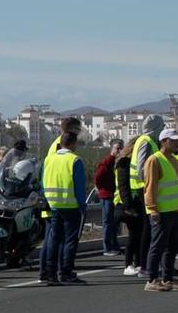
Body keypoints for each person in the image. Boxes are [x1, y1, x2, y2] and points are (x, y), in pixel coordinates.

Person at [38, 122, 89, 285]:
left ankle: (50, 273)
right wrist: (83, 206)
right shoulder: (75, 160)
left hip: (53, 205)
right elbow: (79, 186)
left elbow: (43, 181)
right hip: (71, 205)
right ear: (73, 144)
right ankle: (66, 272)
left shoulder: (49, 159)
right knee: (70, 240)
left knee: (54, 239)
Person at [143, 129, 178, 292]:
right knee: (158, 245)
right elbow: (150, 187)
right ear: (163, 141)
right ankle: (152, 278)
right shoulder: (154, 160)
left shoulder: (175, 160)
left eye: (177, 140)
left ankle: (168, 277)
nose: (176, 143)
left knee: (172, 246)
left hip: (176, 209)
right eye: (172, 140)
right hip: (162, 211)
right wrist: (153, 209)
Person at [115, 136, 147, 276]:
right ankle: (128, 264)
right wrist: (128, 205)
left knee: (138, 234)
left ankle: (138, 262)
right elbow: (123, 186)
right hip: (126, 203)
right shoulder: (123, 162)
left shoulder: (127, 161)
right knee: (134, 235)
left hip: (134, 201)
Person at [92, 139, 124, 256]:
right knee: (108, 222)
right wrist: (101, 189)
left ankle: (114, 246)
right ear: (112, 149)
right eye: (117, 148)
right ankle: (107, 248)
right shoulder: (107, 162)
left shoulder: (118, 162)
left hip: (115, 196)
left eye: (121, 148)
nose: (119, 150)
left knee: (113, 223)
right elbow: (97, 177)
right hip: (107, 196)